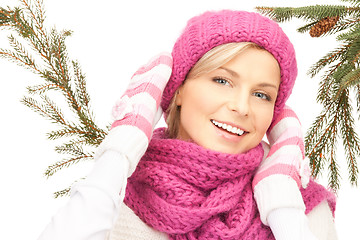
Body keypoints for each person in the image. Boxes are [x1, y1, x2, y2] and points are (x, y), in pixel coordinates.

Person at [38, 10, 337, 240]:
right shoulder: (118, 202)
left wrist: (282, 200)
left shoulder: (304, 208)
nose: (242, 107)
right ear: (178, 88)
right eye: (222, 81)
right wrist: (120, 148)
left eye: (262, 95)